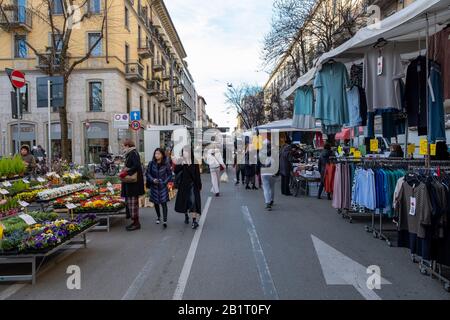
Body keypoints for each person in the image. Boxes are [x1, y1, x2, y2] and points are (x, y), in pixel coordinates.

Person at [119, 138, 145, 231]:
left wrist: (126, 173)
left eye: (123, 146)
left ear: (127, 145)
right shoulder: (131, 153)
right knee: (131, 202)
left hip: (133, 183)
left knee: (132, 203)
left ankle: (136, 223)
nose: (123, 148)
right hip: (132, 183)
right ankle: (134, 222)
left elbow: (136, 165)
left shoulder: (133, 153)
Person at [174, 146, 202, 229]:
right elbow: (175, 171)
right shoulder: (181, 161)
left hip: (193, 185)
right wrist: (181, 164)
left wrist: (199, 184)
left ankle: (194, 221)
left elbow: (197, 174)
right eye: (183, 152)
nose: (184, 153)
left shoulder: (195, 162)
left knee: (193, 202)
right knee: (185, 202)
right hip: (184, 185)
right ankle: (186, 215)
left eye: (186, 152)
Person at [146, 148, 173, 228]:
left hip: (162, 186)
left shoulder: (166, 164)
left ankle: (165, 220)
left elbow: (169, 175)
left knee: (164, 203)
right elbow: (147, 173)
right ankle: (158, 217)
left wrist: (164, 182)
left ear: (162, 155)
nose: (156, 155)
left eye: (158, 153)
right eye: (155, 154)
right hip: (154, 186)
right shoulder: (151, 163)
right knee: (156, 203)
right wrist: (152, 179)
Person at [261, 143, 277, 211]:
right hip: (272, 173)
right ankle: (271, 201)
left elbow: (258, 164)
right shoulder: (274, 157)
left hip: (264, 173)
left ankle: (268, 203)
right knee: (272, 188)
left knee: (266, 189)